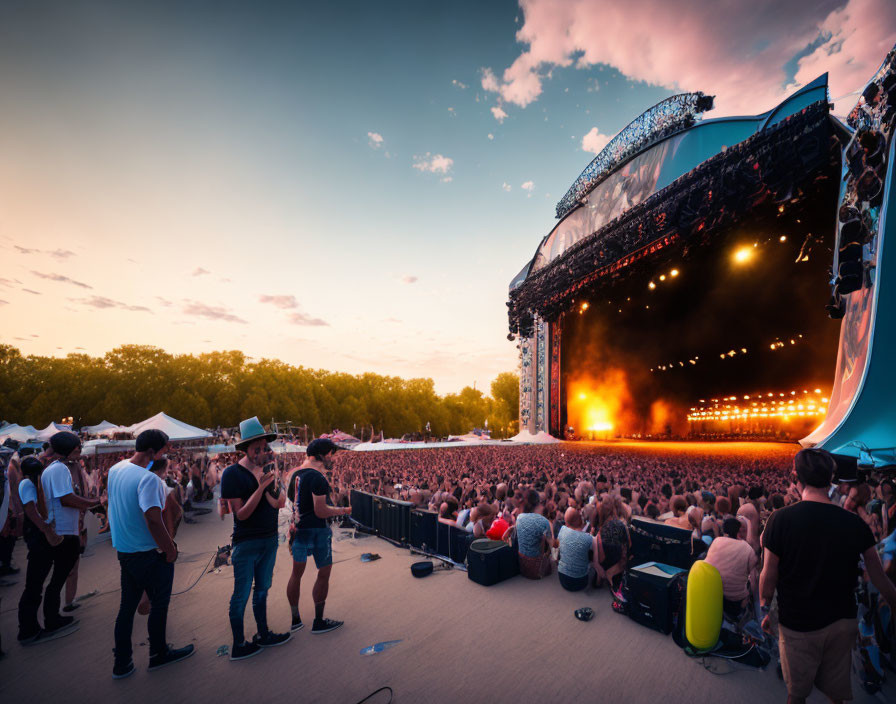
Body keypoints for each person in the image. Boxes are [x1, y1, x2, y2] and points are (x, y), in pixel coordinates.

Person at [760, 449, 896, 704]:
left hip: (797, 624)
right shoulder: (855, 523)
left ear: (795, 477)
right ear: (831, 478)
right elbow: (878, 577)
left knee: (797, 694)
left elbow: (768, 576)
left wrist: (765, 606)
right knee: (836, 693)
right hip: (841, 622)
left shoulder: (780, 519)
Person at [108, 429, 194, 679]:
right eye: (163, 450)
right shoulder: (149, 480)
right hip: (148, 553)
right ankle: (159, 653)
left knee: (126, 608)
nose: (165, 454)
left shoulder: (117, 469)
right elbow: (153, 519)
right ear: (151, 452)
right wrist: (170, 549)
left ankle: (122, 663)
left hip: (125, 550)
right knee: (159, 605)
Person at [221, 417, 291, 661]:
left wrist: (275, 481)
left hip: (269, 539)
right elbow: (241, 514)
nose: (262, 452)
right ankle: (238, 644)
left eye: (264, 448)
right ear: (245, 450)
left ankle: (263, 634)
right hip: (247, 542)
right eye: (257, 449)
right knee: (241, 595)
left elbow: (279, 503)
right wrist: (260, 488)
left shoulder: (268, 470)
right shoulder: (231, 474)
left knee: (262, 590)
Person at [285, 438, 351, 635]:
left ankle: (295, 620)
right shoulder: (318, 478)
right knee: (323, 572)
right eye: (332, 453)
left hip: (298, 529)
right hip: (317, 532)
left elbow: (293, 501)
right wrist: (345, 510)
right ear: (323, 455)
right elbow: (321, 511)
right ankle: (319, 621)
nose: (333, 458)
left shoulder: (294, 474)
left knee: (296, 574)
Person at [38, 432, 100, 641]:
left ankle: (54, 616)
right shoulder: (59, 469)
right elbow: (66, 499)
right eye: (76, 448)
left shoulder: (54, 469)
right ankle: (52, 619)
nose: (79, 452)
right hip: (64, 531)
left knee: (59, 577)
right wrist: (93, 503)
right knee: (59, 577)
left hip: (64, 528)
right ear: (67, 449)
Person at [16, 456, 64, 643]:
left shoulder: (32, 482)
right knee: (33, 585)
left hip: (38, 535)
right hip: (37, 537)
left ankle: (31, 627)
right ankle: (27, 630)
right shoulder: (28, 484)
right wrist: (46, 529)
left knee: (35, 584)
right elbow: (30, 509)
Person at [704, 517, 758, 620]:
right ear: (739, 531)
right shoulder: (748, 549)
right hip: (734, 602)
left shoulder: (717, 541)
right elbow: (754, 580)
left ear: (724, 530)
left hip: (712, 594)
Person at [515, 489, 554, 579]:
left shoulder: (519, 517)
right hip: (536, 569)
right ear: (538, 502)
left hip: (522, 565)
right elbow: (553, 545)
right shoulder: (543, 521)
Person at [557, 507, 594, 592]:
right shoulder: (588, 538)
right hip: (580, 582)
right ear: (579, 519)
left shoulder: (562, 530)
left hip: (562, 579)